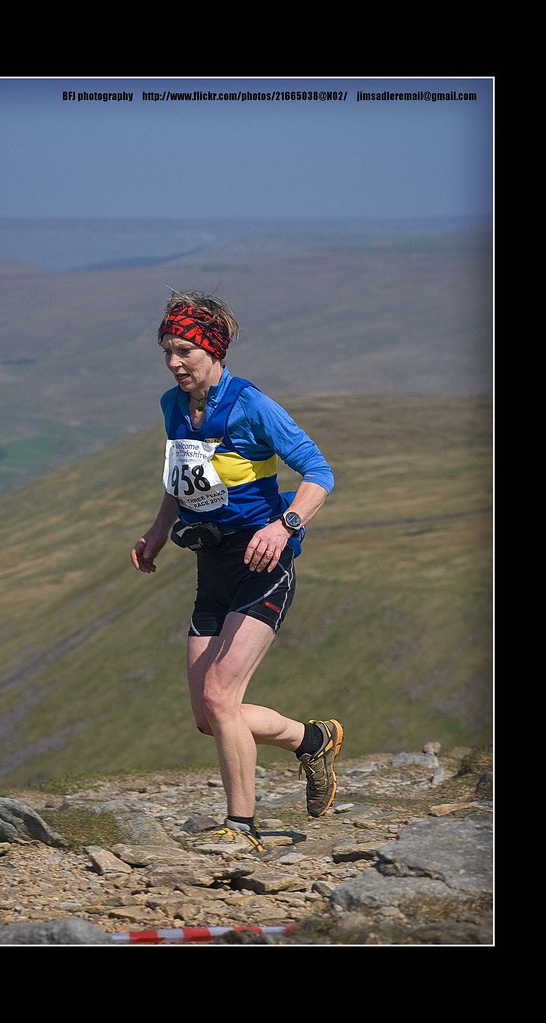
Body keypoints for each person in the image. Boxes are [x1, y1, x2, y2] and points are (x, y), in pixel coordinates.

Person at [131, 291, 343, 855]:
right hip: (212, 562)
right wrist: (156, 529)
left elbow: (319, 471)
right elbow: (182, 478)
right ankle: (311, 740)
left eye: (185, 351)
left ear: (213, 350)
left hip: (263, 561)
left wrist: (286, 526)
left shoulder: (252, 404)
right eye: (168, 352)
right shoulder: (173, 405)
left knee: (223, 695)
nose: (176, 363)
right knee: (208, 715)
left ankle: (241, 828)